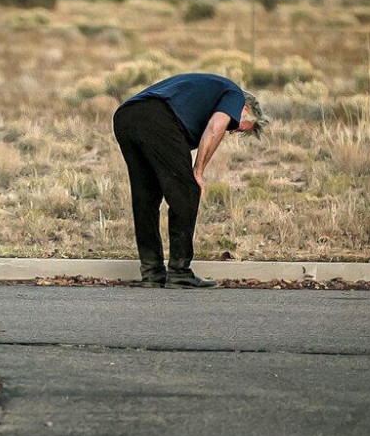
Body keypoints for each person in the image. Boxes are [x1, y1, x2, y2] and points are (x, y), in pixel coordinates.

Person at [113, 73, 268, 288]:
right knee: (187, 191)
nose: (232, 131)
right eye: (238, 127)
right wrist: (198, 172)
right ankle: (179, 272)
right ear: (245, 109)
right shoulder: (234, 95)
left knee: (146, 197)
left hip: (126, 116)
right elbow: (215, 128)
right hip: (157, 117)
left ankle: (152, 273)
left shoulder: (206, 94)